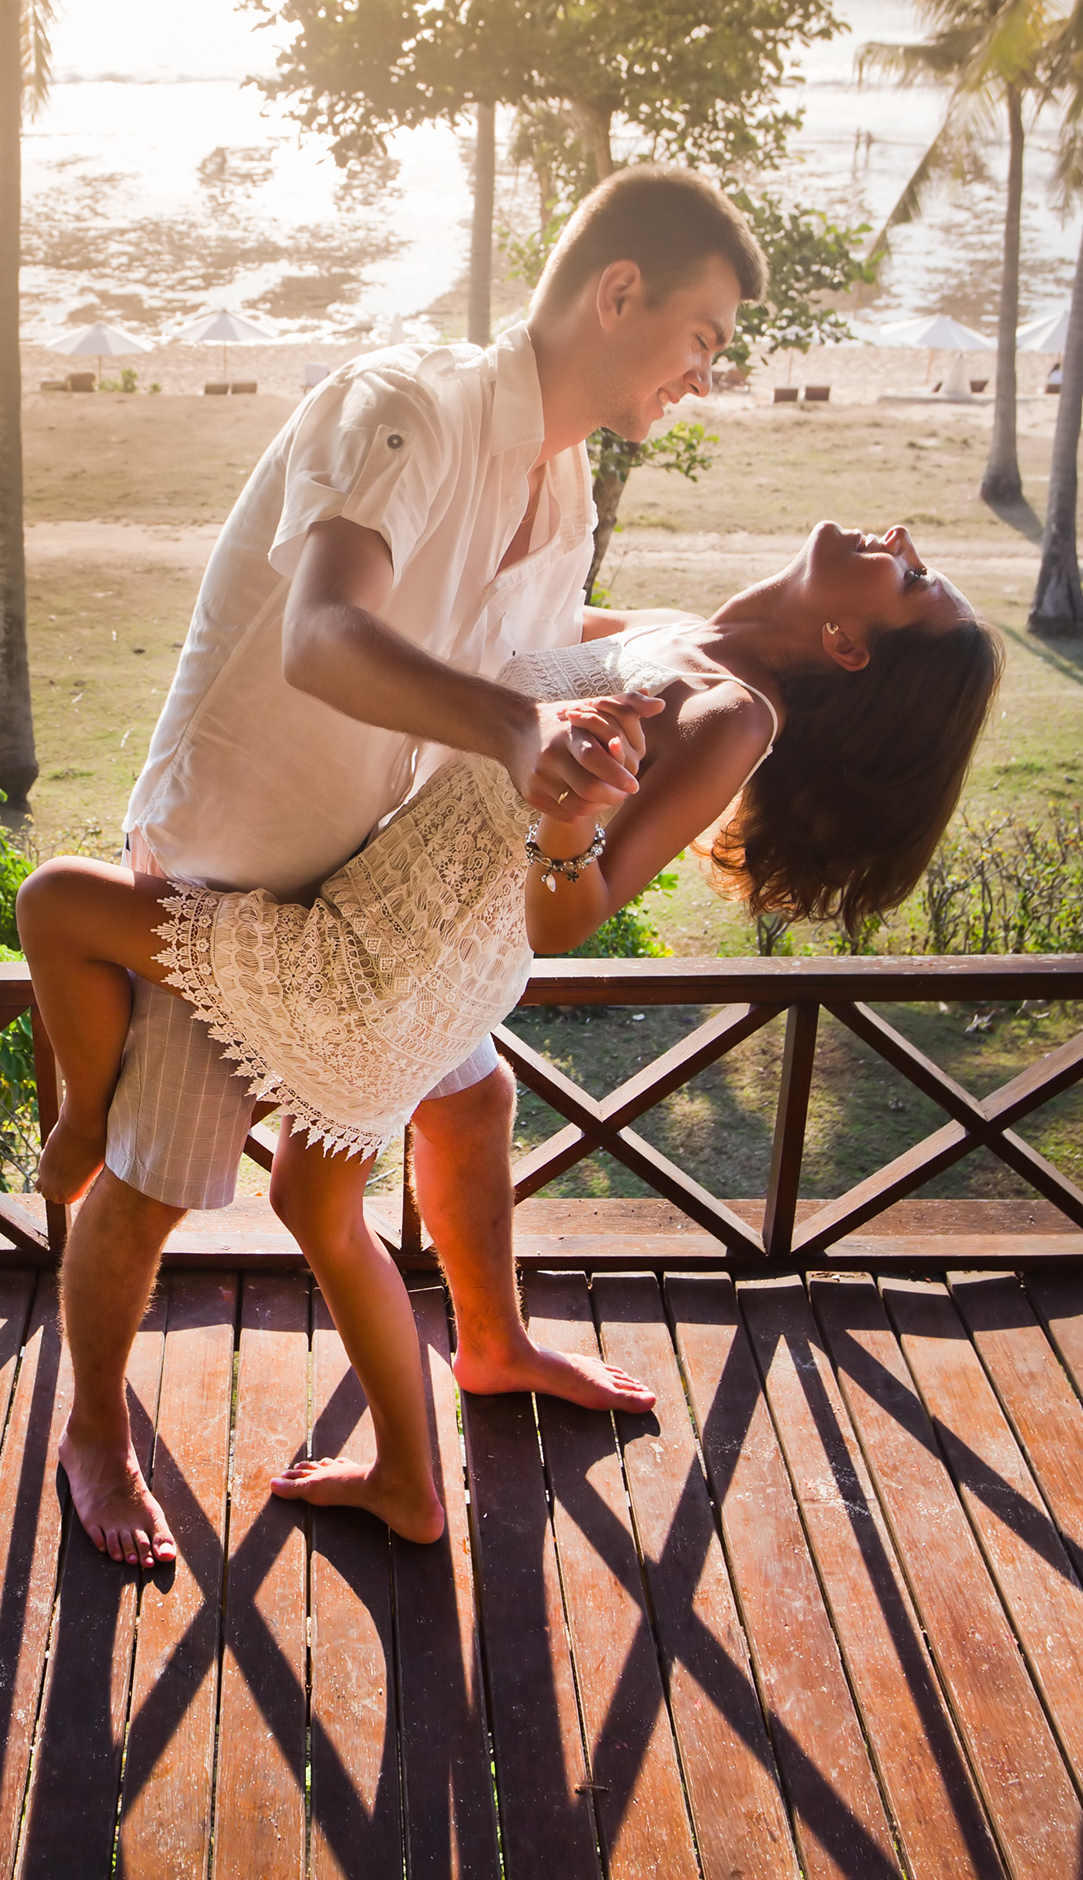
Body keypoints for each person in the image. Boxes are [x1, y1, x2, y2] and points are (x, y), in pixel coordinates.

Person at [45, 164, 763, 1569]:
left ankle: (488, 1345)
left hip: (369, 902)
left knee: (474, 1093)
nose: (704, 371)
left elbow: (522, 645)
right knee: (145, 1191)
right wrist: (519, 727)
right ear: (619, 293)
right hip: (230, 875)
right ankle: (94, 1428)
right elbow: (325, 634)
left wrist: (659, 645)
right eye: (704, 336)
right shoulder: (407, 408)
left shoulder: (560, 487)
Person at [19, 522, 1000, 1542]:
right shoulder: (687, 636)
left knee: (60, 905)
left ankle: (89, 1124)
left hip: (377, 955)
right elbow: (490, 632)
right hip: (444, 948)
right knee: (402, 1148)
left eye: (913, 578)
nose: (900, 540)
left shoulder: (731, 717)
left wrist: (568, 817)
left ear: (849, 642)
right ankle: (462, 1393)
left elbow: (570, 914)